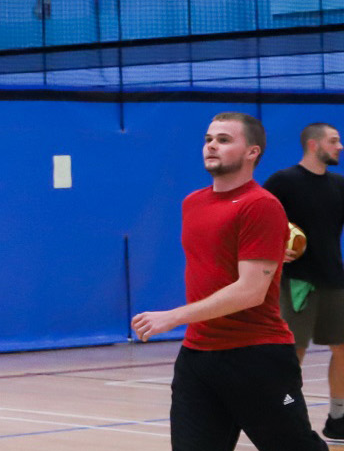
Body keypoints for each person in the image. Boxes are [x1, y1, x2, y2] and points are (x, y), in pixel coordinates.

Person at [133, 112, 326, 451]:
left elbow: (251, 291)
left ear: (252, 151)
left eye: (224, 140)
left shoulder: (261, 205)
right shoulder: (193, 203)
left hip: (256, 358)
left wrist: (173, 316)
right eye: (208, 139)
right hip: (197, 360)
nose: (211, 146)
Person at [264, 121, 344, 441]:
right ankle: (287, 416)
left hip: (335, 281)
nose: (339, 146)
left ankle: (338, 418)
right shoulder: (283, 182)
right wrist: (273, 247)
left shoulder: (340, 185)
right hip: (297, 283)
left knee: (343, 349)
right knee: (292, 355)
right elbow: (255, 218)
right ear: (314, 145)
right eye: (334, 141)